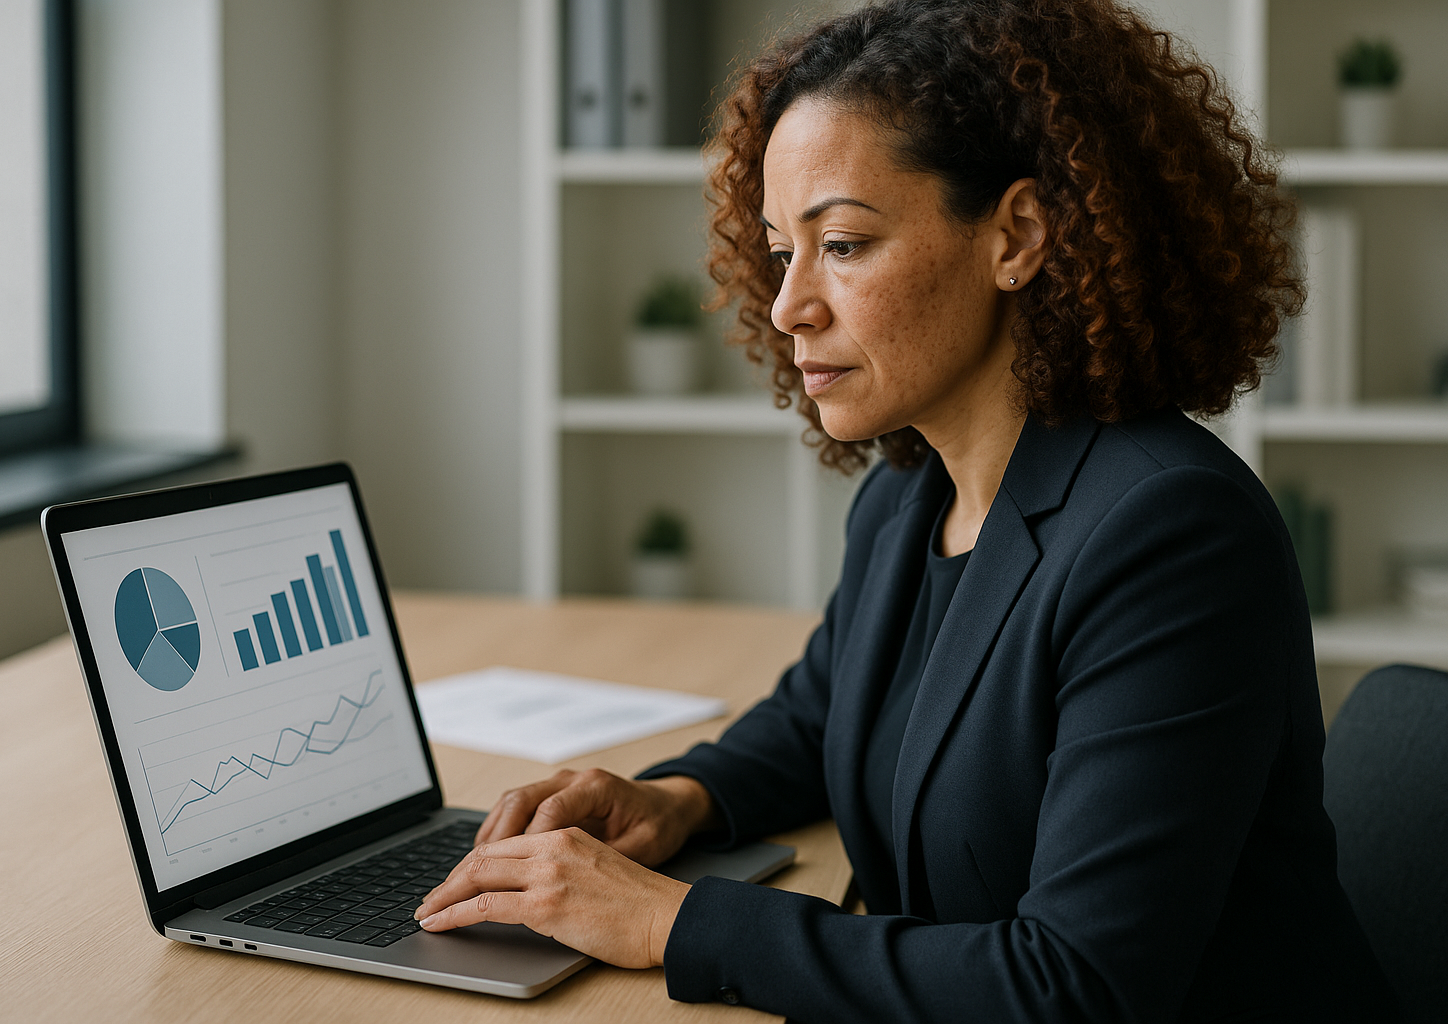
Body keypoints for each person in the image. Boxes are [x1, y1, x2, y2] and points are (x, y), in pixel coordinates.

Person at [414, 1, 1400, 1019]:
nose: (791, 301)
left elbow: (1075, 986)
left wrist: (672, 922)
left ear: (1016, 236)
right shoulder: (906, 494)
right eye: (779, 248)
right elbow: (823, 716)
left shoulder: (1170, 533)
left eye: (841, 243)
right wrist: (674, 800)